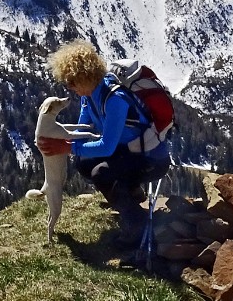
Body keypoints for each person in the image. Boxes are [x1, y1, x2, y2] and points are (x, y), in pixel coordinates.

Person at [37, 39, 170, 245]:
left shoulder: (115, 99)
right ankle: (130, 194)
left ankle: (136, 225)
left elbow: (106, 146)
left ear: (85, 76)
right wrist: (58, 140)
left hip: (150, 158)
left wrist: (66, 147)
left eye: (72, 81)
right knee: (83, 162)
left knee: (102, 173)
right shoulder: (88, 95)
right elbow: (83, 130)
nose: (70, 87)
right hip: (126, 151)